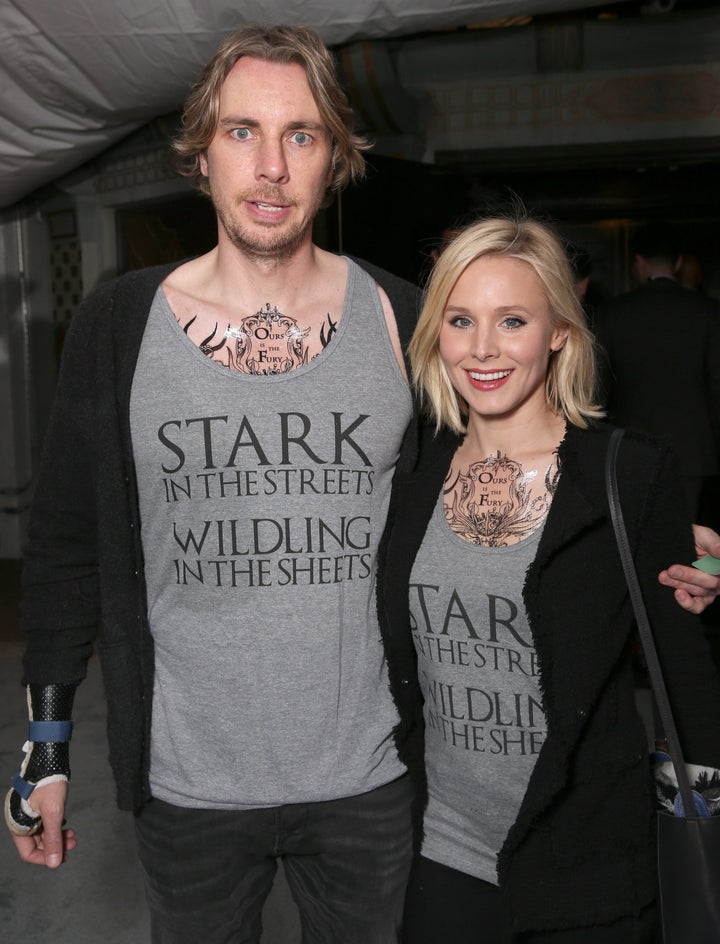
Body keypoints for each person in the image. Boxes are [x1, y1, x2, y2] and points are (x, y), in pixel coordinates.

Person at [4, 24, 720, 944]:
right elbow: (65, 542)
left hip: (372, 788)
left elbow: (514, 442)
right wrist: (45, 750)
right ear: (200, 155)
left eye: (300, 135)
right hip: (190, 793)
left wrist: (660, 535)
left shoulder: (400, 318)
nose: (270, 166)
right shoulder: (118, 325)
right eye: (242, 133)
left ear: (335, 158)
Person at [376, 214, 720, 943]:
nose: (484, 348)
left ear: (560, 330)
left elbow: (684, 674)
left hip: (588, 862)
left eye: (513, 320)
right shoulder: (412, 470)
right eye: (461, 320)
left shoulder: (629, 474)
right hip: (442, 853)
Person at [594, 222, 720, 526]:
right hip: (694, 451)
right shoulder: (709, 313)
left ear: (638, 262)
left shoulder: (613, 313)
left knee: (634, 535)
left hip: (627, 447)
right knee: (690, 538)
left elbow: (596, 390)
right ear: (677, 263)